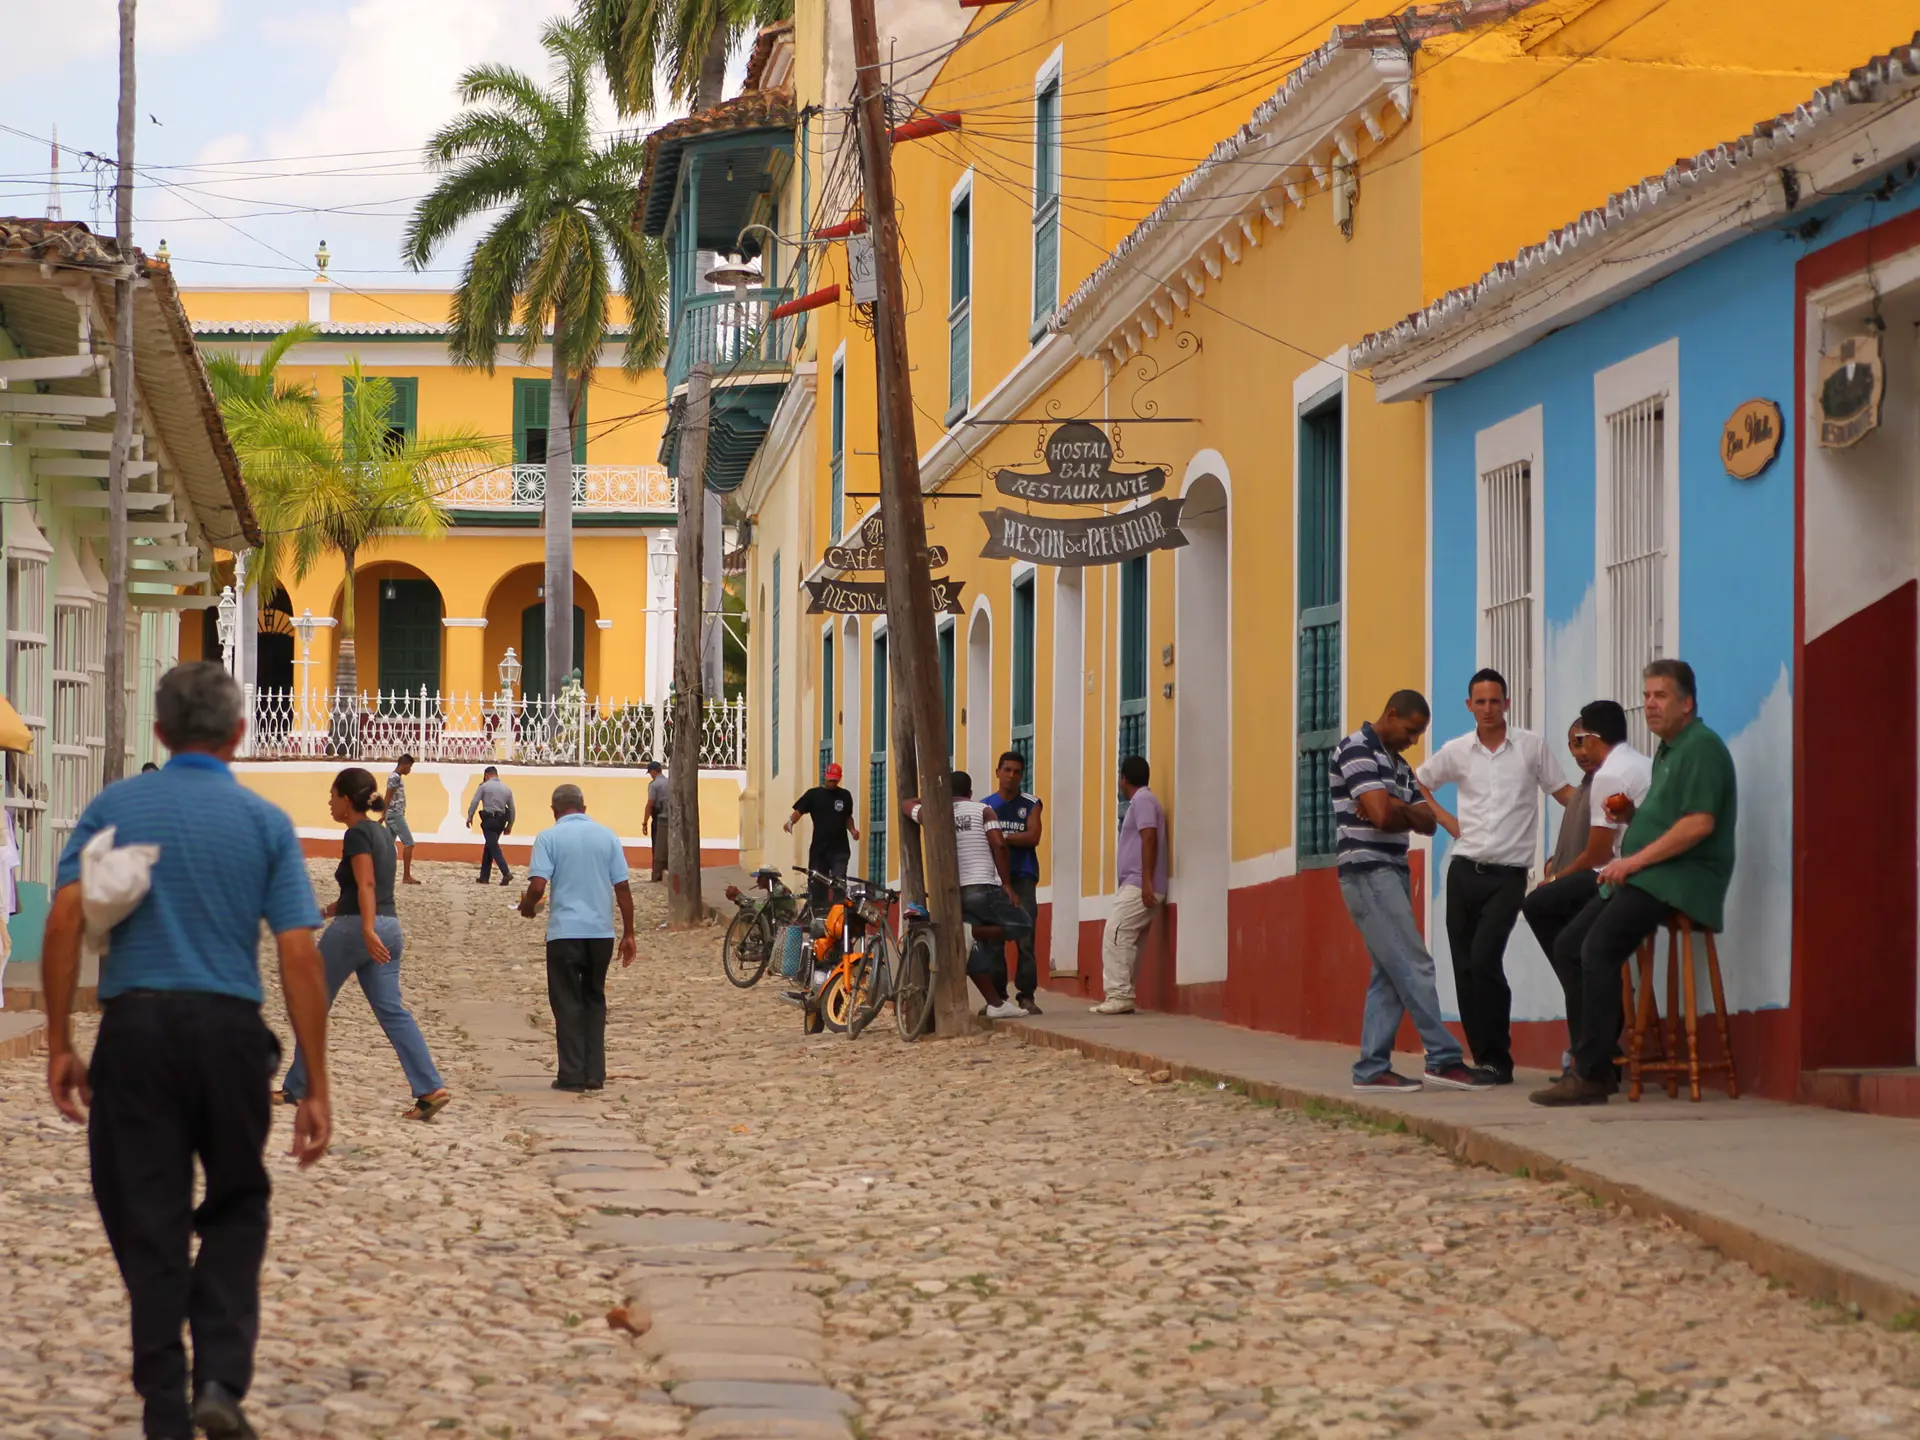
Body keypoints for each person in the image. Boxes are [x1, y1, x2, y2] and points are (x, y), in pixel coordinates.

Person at [41, 663, 331, 1440]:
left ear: (161, 733)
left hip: (135, 1034)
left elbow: (65, 920)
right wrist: (316, 1083)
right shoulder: (264, 822)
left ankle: (165, 1402)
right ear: (239, 733)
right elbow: (300, 955)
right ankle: (222, 1381)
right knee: (239, 1202)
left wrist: (63, 1044)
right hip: (231, 1035)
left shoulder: (115, 806)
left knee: (146, 1213)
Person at [1530, 661, 1737, 1107]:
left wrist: (1632, 860)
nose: (1650, 704)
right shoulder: (1667, 751)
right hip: (1650, 873)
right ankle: (1596, 1063)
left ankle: (1591, 1074)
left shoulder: (1700, 748)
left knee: (1596, 949)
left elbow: (1699, 824)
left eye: (1660, 696)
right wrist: (1633, 821)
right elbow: (1663, 823)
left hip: (1680, 879)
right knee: (1570, 944)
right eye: (1646, 696)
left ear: (1687, 702)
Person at [1415, 669, 1574, 1083]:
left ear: (1507, 703)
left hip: (1508, 876)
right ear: (1469, 706)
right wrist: (1448, 821)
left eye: (1494, 701)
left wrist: (1604, 810)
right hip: (1464, 870)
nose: (1487, 709)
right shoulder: (1457, 750)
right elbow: (1417, 783)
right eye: (1479, 702)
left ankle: (1499, 1059)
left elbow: (1563, 794)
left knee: (1486, 959)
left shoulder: (1531, 748)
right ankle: (1484, 1060)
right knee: (1466, 967)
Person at [1333, 690, 1492, 1093]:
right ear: (1390, 714)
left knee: (1389, 971)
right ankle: (1443, 1058)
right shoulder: (1356, 749)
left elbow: (1425, 822)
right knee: (1415, 963)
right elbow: (1387, 815)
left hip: (1393, 871)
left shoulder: (1399, 765)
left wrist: (1389, 806)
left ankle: (1371, 1068)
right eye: (1411, 730)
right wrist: (1392, 808)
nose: (1414, 741)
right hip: (1369, 872)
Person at [281, 767, 451, 1121]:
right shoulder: (382, 834)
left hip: (359, 929)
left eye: (332, 796)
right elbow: (363, 890)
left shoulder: (356, 834)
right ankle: (430, 1088)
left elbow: (367, 885)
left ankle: (296, 1088)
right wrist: (325, 911)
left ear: (346, 799)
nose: (329, 802)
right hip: (390, 926)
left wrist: (367, 930)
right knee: (393, 1011)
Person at [1521, 701, 1653, 1069]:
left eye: (1580, 740)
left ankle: (1590, 1041)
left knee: (1543, 912)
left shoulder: (1608, 777)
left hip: (1620, 876)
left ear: (1593, 738)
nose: (1578, 750)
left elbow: (1596, 856)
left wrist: (1555, 879)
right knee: (1570, 939)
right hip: (1640, 871)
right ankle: (1588, 996)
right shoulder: (1642, 763)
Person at [520, 784, 637, 1092]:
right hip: (601, 933)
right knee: (594, 998)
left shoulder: (548, 837)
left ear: (554, 811)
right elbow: (622, 888)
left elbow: (536, 886)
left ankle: (571, 1073)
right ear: (584, 809)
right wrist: (629, 933)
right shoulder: (607, 836)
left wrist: (528, 908)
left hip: (564, 933)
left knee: (566, 1000)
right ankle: (595, 1074)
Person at [903, 770, 1031, 1020]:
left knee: (971, 950)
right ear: (970, 793)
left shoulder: (935, 813)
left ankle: (995, 1003)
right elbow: (999, 843)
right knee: (1022, 924)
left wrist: (929, 799)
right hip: (982, 886)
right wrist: (1007, 884)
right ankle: (970, 931)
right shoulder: (982, 810)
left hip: (952, 894)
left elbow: (906, 804)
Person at [1090, 755, 1166, 1016]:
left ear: (1123, 778)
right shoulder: (1144, 800)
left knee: (1115, 933)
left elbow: (1149, 838)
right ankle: (1124, 993)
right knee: (1130, 939)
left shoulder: (1143, 800)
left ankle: (1120, 994)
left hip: (1139, 884)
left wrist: (1145, 882)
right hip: (1137, 884)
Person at [986, 750, 1044, 1014]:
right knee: (994, 939)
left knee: (1026, 938)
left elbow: (1033, 837)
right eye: (1007, 770)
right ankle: (998, 996)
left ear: (1022, 775)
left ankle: (1027, 995)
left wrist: (1002, 836)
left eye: (1017, 771)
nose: (1011, 775)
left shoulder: (1031, 804)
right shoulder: (985, 807)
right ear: (997, 772)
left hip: (1023, 878)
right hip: (994, 879)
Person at [787, 763, 860, 905]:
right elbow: (799, 812)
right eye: (830, 780)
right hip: (819, 850)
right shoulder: (813, 795)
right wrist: (790, 822)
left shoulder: (845, 796)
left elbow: (847, 817)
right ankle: (818, 915)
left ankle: (838, 917)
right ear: (825, 777)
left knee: (839, 883)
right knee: (817, 884)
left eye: (835, 780)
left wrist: (852, 830)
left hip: (840, 850)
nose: (832, 783)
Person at [466, 765, 516, 886]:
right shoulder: (506, 789)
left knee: (493, 846)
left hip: (489, 819)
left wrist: (470, 816)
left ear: (487, 775)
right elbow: (512, 809)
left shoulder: (484, 786)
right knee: (490, 845)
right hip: (501, 821)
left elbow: (475, 801)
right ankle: (484, 877)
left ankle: (506, 872)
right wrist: (510, 825)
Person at [385, 753, 421, 886]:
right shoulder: (394, 778)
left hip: (393, 813)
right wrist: (384, 814)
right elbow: (388, 796)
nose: (410, 770)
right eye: (409, 767)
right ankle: (406, 876)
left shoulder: (396, 777)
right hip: (394, 814)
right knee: (409, 843)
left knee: (387, 846)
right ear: (404, 765)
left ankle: (382, 873)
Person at [644, 761, 669, 882]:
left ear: (653, 772)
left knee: (657, 845)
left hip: (658, 817)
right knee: (668, 845)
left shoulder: (654, 785)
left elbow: (650, 804)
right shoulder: (670, 782)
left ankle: (657, 874)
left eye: (650, 773)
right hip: (671, 817)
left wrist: (644, 822)